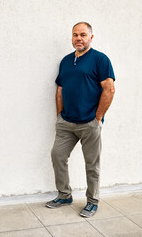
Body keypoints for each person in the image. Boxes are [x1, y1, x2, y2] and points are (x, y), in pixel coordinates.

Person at [46, 22, 115, 218]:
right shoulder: (66, 61)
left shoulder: (100, 60)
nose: (78, 38)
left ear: (91, 37)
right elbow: (60, 89)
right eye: (75, 35)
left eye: (83, 34)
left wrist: (98, 117)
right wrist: (59, 115)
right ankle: (64, 195)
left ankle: (92, 202)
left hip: (89, 123)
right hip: (66, 122)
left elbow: (109, 89)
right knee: (57, 156)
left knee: (92, 164)